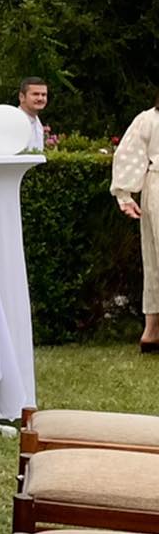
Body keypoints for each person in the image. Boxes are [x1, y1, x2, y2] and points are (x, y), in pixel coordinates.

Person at [112, 93, 159, 352]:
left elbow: (129, 153)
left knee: (154, 258)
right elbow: (129, 153)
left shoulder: (148, 119)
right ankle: (152, 330)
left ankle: (152, 331)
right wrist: (124, 194)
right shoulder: (149, 119)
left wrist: (125, 194)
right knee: (153, 257)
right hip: (157, 185)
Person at [17, 77, 49, 150]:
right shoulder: (13, 122)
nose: (40, 98)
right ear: (22, 97)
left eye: (43, 95)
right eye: (35, 94)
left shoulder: (37, 122)